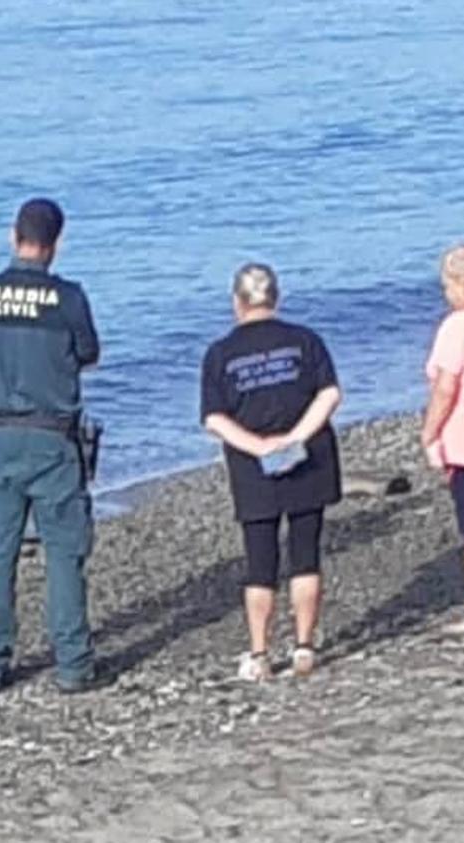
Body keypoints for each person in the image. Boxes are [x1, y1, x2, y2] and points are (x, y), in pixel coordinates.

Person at [0, 197, 100, 694]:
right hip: (53, 439)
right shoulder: (68, 298)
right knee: (64, 554)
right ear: (57, 244)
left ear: (12, 235)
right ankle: (73, 665)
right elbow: (88, 353)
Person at [200, 263, 342, 681]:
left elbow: (213, 417)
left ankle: (260, 652)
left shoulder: (221, 353)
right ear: (275, 298)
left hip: (253, 465)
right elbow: (329, 394)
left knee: (260, 560)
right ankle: (303, 647)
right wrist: (296, 436)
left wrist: (258, 445)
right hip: (308, 454)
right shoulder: (304, 340)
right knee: (305, 553)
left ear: (237, 303)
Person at [420, 244, 464, 635]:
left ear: (461, 285)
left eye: (447, 286)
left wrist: (429, 432)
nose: (445, 294)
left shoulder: (457, 327)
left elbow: (445, 389)